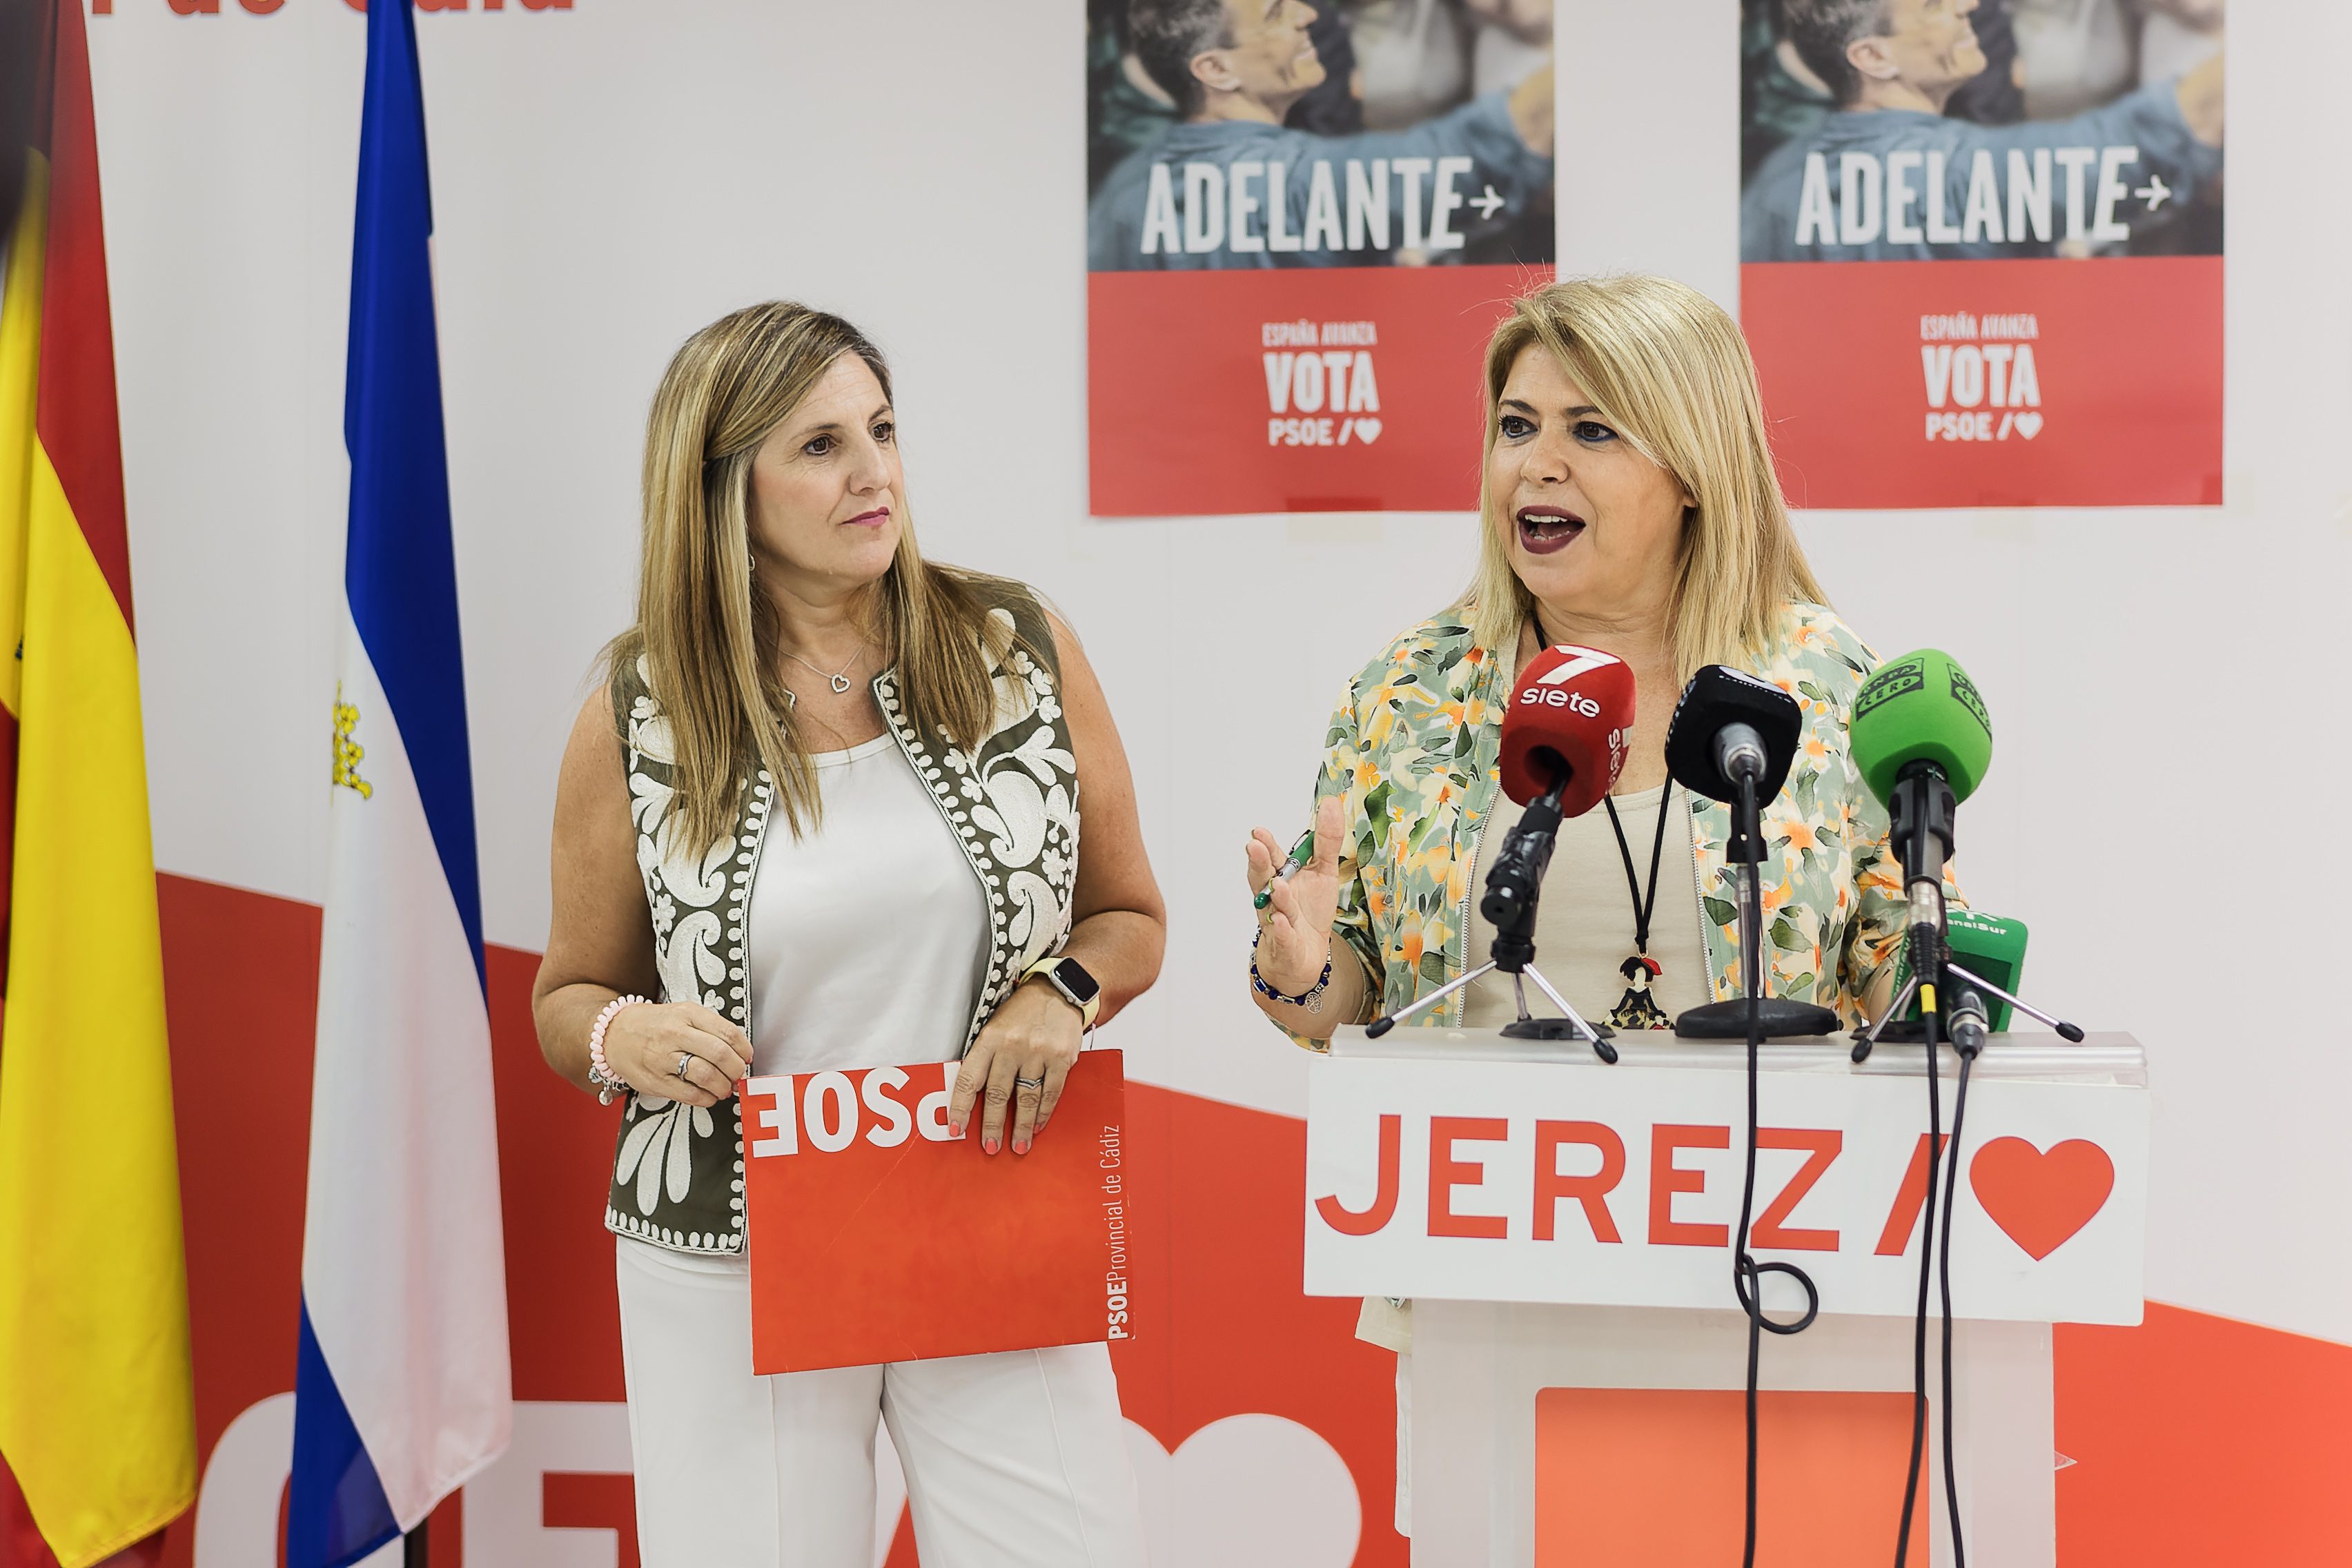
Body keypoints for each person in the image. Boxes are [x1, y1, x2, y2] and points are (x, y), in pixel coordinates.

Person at [1240, 273, 1958, 1536]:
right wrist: (1301, 966)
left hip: (1758, 1275)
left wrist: (1938, 971)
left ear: (1689, 466)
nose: (1536, 467)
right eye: (1515, 426)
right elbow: (1343, 999)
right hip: (1493, 1285)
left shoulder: (1821, 688)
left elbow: (1897, 976)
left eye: (1590, 430)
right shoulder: (1410, 691)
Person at [531, 302, 1166, 1565]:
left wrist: (1064, 993)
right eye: (819, 446)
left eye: (880, 429)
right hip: (729, 1244)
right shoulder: (637, 709)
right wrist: (628, 1034)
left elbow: (1129, 915)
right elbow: (568, 1001)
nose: (874, 471)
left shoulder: (1015, 647)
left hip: (985, 1204)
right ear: (724, 489)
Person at [1742, 0, 2224, 261]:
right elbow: (2158, 136)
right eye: (1933, 6)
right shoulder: (1966, 173)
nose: (1968, 4)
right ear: (1873, 57)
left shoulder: (1770, 188)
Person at [1089, 0, 1554, 269]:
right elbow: (1481, 151)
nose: (1307, 13)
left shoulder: (1120, 192)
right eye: (1274, 13)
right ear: (1216, 69)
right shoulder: (1297, 183)